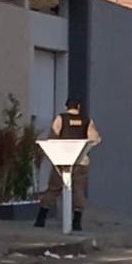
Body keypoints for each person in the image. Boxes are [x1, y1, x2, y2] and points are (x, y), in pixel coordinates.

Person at [35, 98, 102, 231]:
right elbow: (95, 139)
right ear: (78, 106)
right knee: (78, 190)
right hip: (80, 161)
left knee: (54, 189)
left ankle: (41, 219)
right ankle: (77, 222)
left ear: (66, 106)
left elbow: (52, 136)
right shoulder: (87, 120)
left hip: (61, 159)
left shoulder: (61, 119)